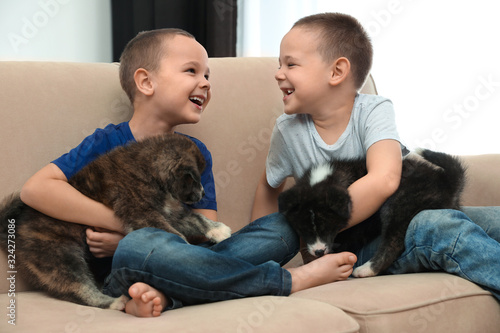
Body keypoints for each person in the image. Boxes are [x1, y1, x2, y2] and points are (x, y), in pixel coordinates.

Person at [20, 28, 357, 318]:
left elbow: (206, 233)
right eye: (192, 71)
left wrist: (136, 228)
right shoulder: (106, 142)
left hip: (185, 259)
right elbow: (35, 190)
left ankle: (174, 295)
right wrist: (128, 228)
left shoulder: (195, 153)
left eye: (207, 75)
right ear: (146, 81)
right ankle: (288, 281)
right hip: (126, 266)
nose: (205, 83)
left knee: (282, 227)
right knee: (142, 243)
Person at [251, 12, 500, 301]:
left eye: (290, 64)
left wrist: (322, 219)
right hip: (362, 244)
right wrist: (264, 251)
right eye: (279, 64)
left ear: (336, 71)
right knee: (437, 227)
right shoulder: (287, 130)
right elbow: (269, 186)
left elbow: (385, 178)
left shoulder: (373, 110)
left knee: (486, 220)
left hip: (410, 212)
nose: (278, 73)